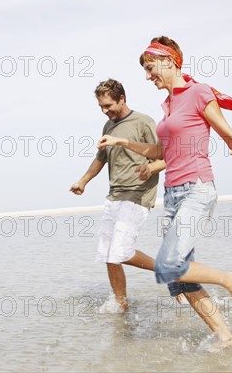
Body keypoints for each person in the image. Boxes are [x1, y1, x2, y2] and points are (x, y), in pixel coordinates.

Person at [98, 36, 232, 346]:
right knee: (178, 279)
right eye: (145, 70)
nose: (148, 76)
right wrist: (122, 142)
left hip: (197, 189)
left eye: (150, 68)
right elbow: (162, 150)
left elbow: (228, 134)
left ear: (169, 61)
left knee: (169, 265)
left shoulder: (199, 93)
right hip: (173, 194)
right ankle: (226, 337)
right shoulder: (170, 104)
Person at [70, 79, 166, 312]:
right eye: (101, 107)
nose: (105, 111)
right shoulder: (108, 126)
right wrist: (83, 181)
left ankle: (170, 271)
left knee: (121, 252)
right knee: (108, 254)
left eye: (108, 106)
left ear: (122, 98)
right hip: (114, 195)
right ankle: (120, 304)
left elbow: (164, 157)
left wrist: (149, 169)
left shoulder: (143, 122)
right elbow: (101, 158)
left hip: (137, 193)